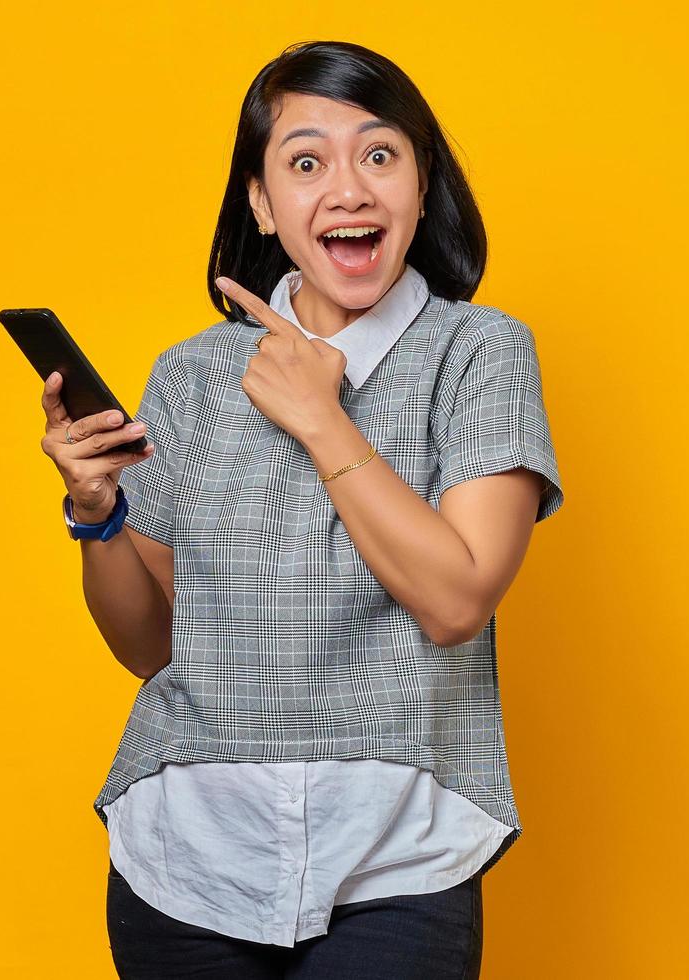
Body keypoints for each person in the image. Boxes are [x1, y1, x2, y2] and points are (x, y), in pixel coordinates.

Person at [40, 40, 564, 979]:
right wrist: (99, 515)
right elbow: (151, 647)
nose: (350, 190)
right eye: (307, 161)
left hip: (398, 858)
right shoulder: (194, 373)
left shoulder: (478, 353)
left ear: (420, 179)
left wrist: (323, 419)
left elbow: (455, 601)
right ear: (262, 202)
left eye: (379, 154)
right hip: (187, 861)